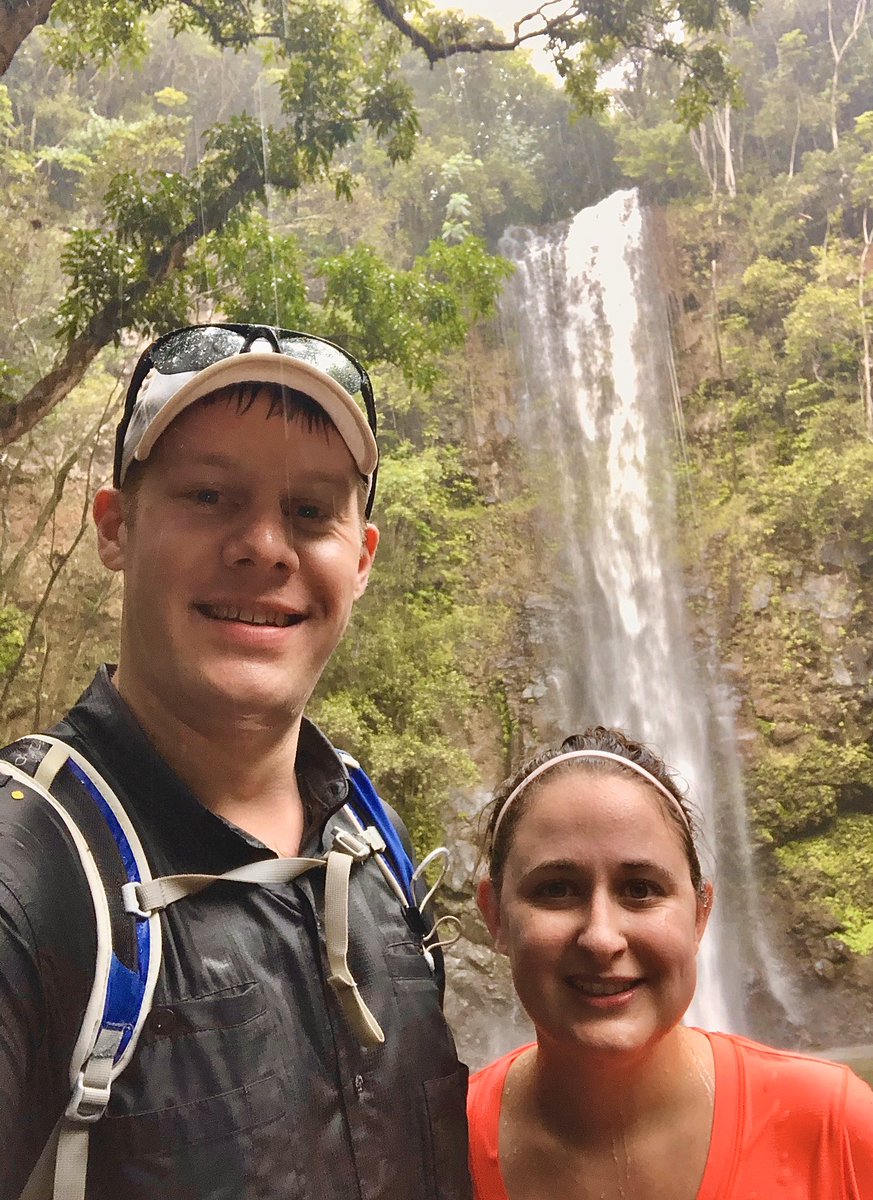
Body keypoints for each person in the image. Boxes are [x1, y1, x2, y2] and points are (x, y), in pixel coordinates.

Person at [0, 323, 471, 1200]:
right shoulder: (29, 876)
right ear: (115, 527)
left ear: (360, 559)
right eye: (210, 495)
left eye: (310, 511)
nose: (265, 546)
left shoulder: (374, 843)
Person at [467, 726, 873, 1200]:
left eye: (641, 889)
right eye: (556, 889)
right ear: (494, 916)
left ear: (701, 913)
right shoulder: (435, 1148)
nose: (601, 937)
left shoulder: (835, 1126)